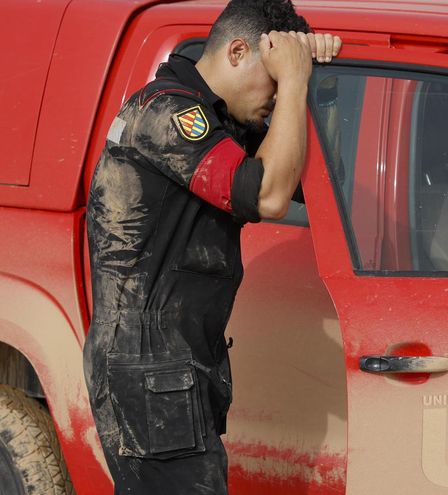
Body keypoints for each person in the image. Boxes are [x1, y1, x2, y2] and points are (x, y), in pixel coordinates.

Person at [82, 0, 341, 493]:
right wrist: (295, 83)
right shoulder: (167, 113)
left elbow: (317, 180)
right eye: (274, 78)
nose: (277, 94)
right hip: (149, 370)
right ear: (238, 51)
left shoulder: (222, 121)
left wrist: (314, 88)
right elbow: (267, 193)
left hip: (172, 365)